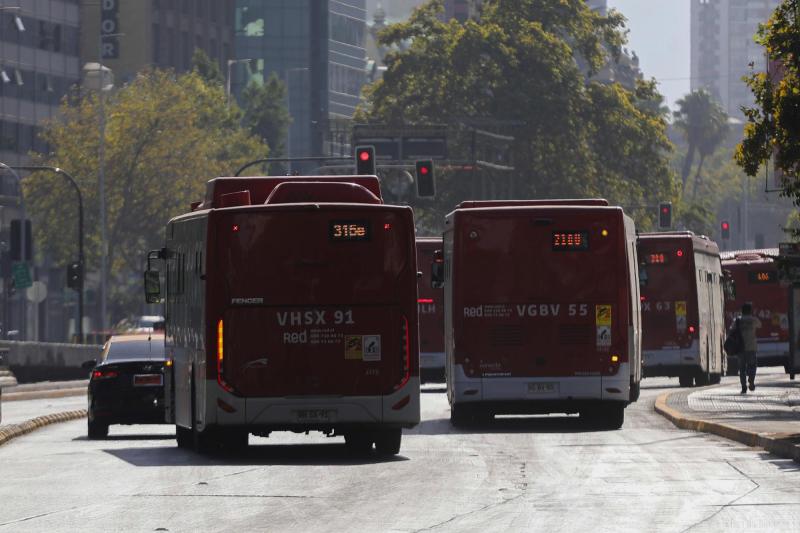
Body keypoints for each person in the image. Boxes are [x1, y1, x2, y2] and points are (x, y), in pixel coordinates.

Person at [737, 303, 761, 394]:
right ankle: (751, 380)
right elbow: (760, 325)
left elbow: (732, 329)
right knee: (752, 366)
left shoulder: (738, 320)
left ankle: (743, 387)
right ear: (750, 311)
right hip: (751, 347)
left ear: (741, 311)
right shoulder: (754, 320)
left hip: (740, 348)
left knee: (742, 369)